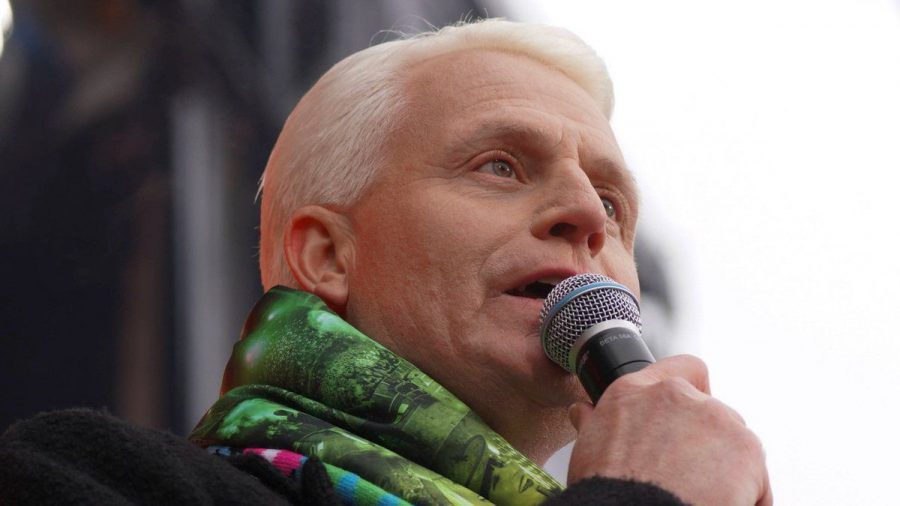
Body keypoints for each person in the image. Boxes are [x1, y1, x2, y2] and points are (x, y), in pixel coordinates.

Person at [0, 19, 771, 505]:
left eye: (612, 204)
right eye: (500, 165)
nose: (583, 216)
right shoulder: (84, 479)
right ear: (327, 255)